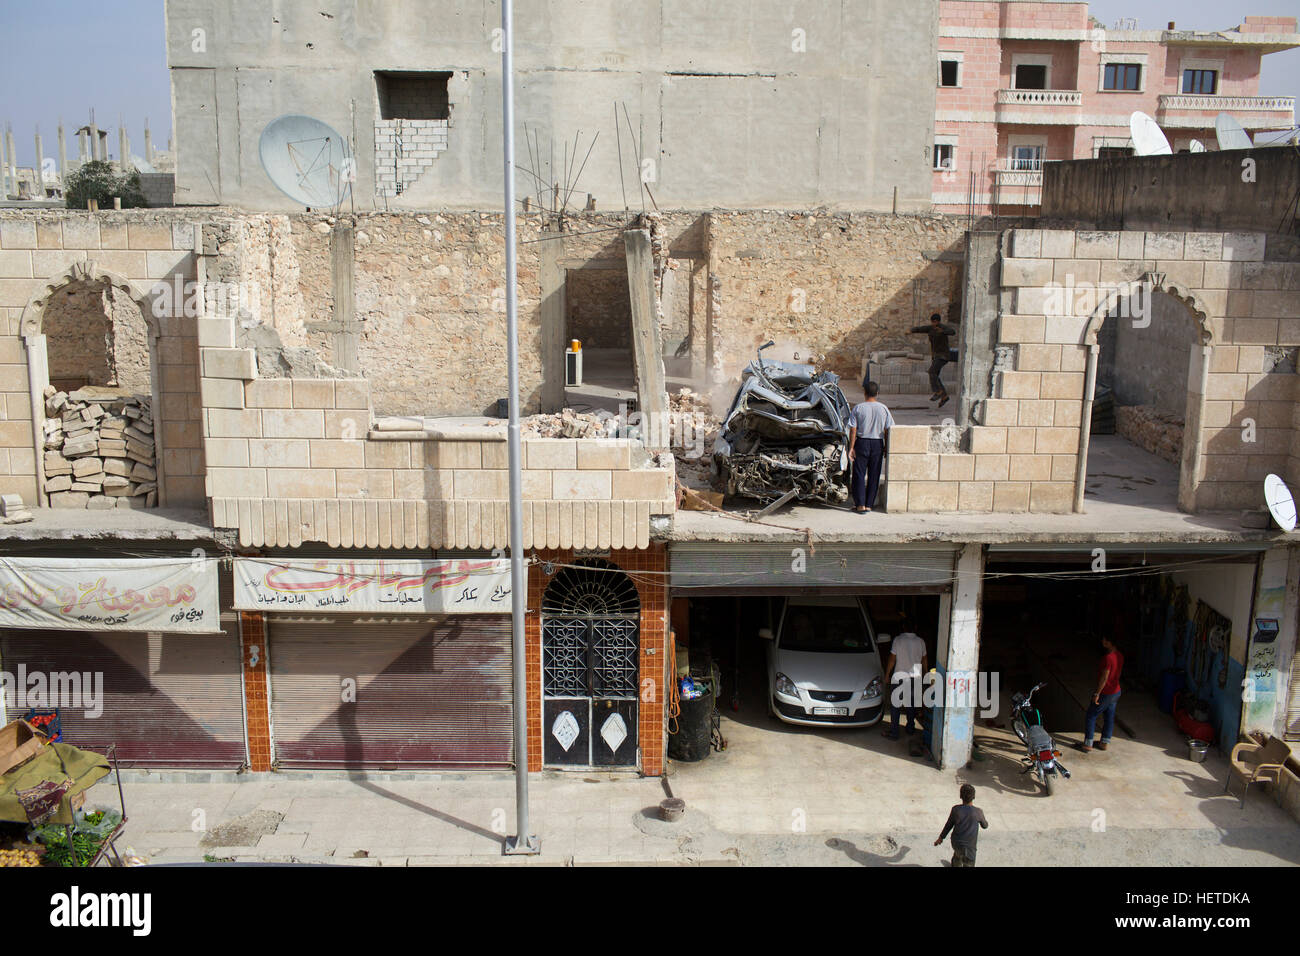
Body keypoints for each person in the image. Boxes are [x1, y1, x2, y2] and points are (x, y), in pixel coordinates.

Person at [847, 381, 894, 514]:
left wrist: (851, 447)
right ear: (877, 393)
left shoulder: (858, 408)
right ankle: (869, 504)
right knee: (874, 474)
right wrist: (885, 446)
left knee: (859, 474)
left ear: (864, 393)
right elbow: (887, 429)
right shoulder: (883, 408)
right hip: (877, 443)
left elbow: (853, 430)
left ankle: (860, 504)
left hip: (862, 443)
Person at [1080, 636, 1123, 752]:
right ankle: (1104, 743)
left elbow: (1104, 678)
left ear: (1110, 642)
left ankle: (1088, 743)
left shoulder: (1108, 658)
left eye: (1105, 640)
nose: (1103, 641)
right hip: (1116, 691)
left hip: (1106, 692)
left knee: (1091, 714)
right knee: (1109, 717)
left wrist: (1097, 693)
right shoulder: (1119, 655)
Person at [883, 628, 927, 739]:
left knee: (895, 706)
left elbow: (892, 659)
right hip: (915, 677)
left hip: (899, 676)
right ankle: (910, 729)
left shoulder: (898, 640)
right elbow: (924, 659)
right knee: (911, 705)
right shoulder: (920, 641)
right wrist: (926, 673)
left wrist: (887, 674)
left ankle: (894, 733)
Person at [910, 313, 959, 407]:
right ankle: (944, 396)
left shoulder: (943, 327)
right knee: (935, 375)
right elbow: (921, 329)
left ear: (938, 321)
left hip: (943, 356)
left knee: (931, 372)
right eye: (932, 322)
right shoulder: (931, 328)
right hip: (936, 356)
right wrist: (912, 330)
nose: (933, 323)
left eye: (935, 322)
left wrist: (942, 331)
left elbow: (952, 331)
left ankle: (938, 391)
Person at [934, 784, 989, 867]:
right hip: (970, 847)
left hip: (956, 843)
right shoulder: (978, 812)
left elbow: (948, 825)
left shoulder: (955, 809)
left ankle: (956, 862)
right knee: (969, 863)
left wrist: (940, 838)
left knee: (958, 855)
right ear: (974, 797)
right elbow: (985, 826)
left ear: (960, 796)